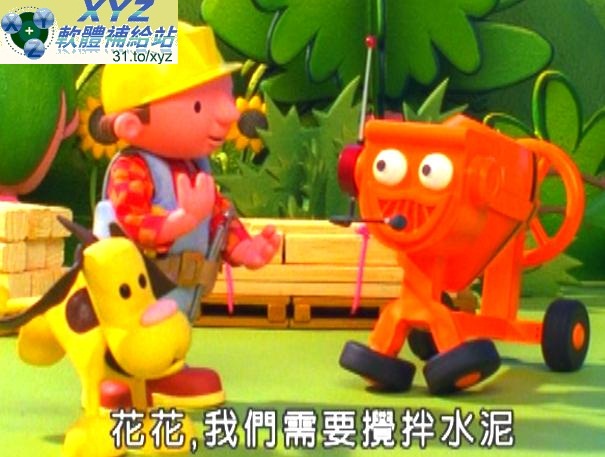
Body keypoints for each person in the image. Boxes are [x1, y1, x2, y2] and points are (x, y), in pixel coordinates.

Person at [92, 22, 281, 409]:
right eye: (198, 105)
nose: (228, 113)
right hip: (135, 302)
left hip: (175, 305)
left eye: (224, 95)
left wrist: (244, 248)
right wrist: (179, 222)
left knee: (165, 333)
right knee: (134, 335)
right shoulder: (133, 169)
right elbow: (131, 223)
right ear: (132, 123)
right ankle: (129, 377)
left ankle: (157, 370)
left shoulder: (195, 167)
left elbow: (219, 217)